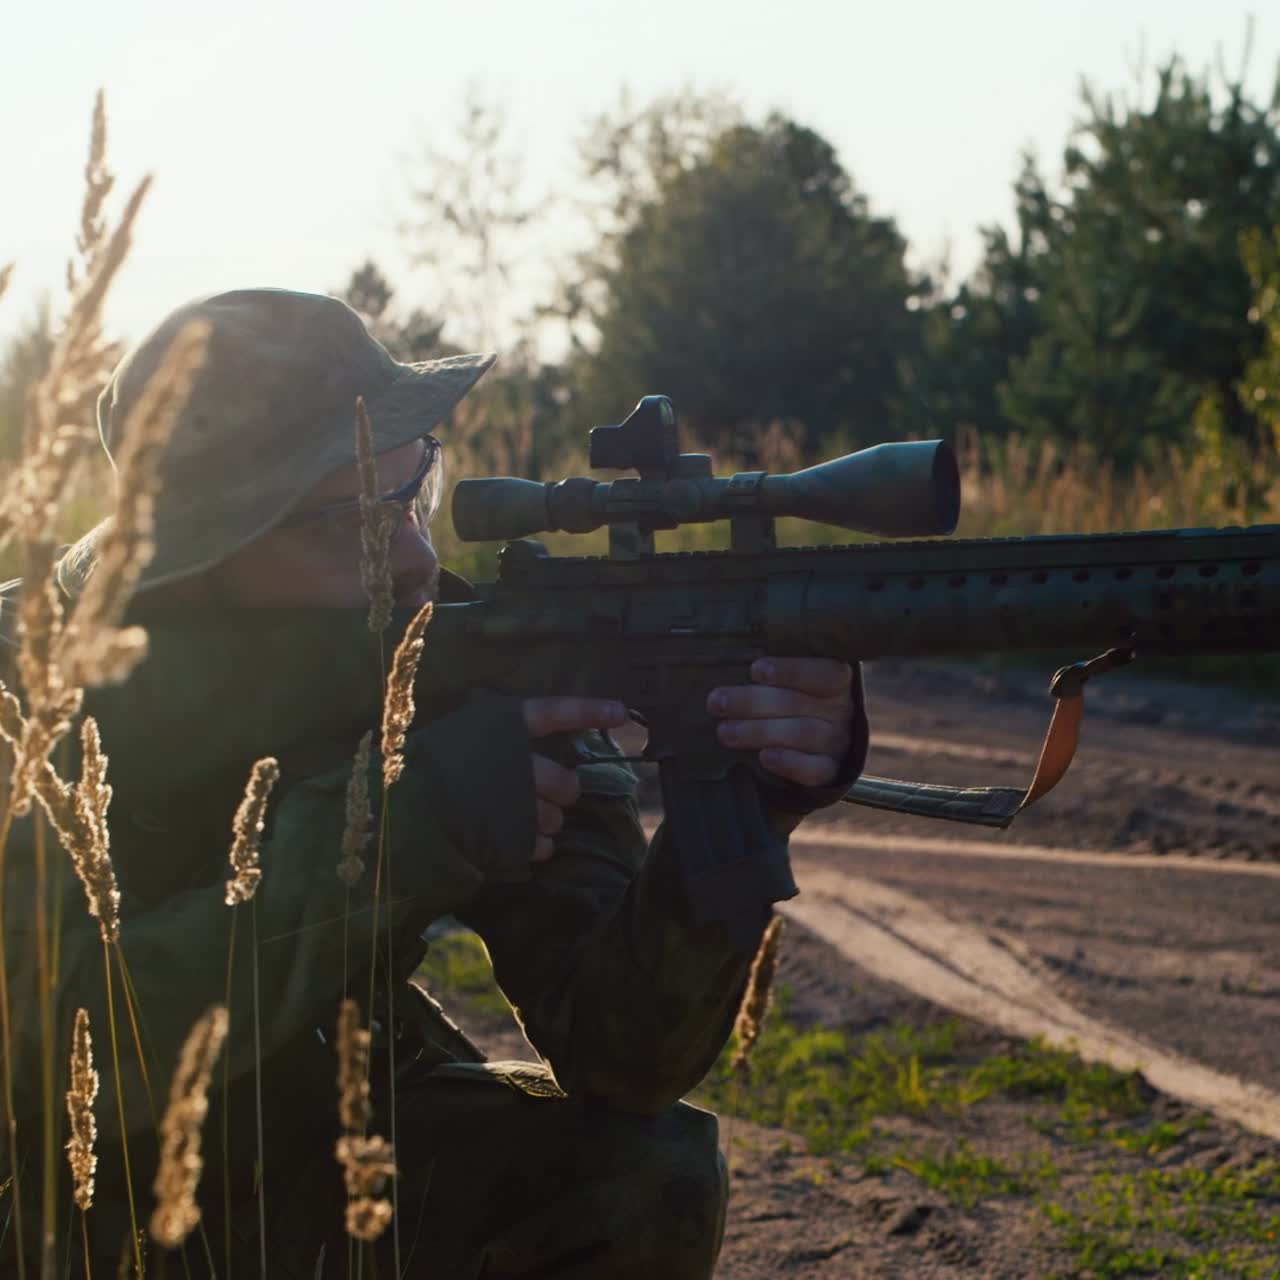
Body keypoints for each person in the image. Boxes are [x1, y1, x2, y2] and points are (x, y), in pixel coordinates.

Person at [1, 288, 868, 1277]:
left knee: (636, 1175)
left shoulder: (471, 661)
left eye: (411, 494)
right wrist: (390, 832)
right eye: (349, 524)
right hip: (49, 1200)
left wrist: (751, 798)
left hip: (303, 1147)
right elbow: (59, 1048)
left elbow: (626, 1056)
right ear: (199, 561)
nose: (415, 556)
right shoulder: (19, 692)